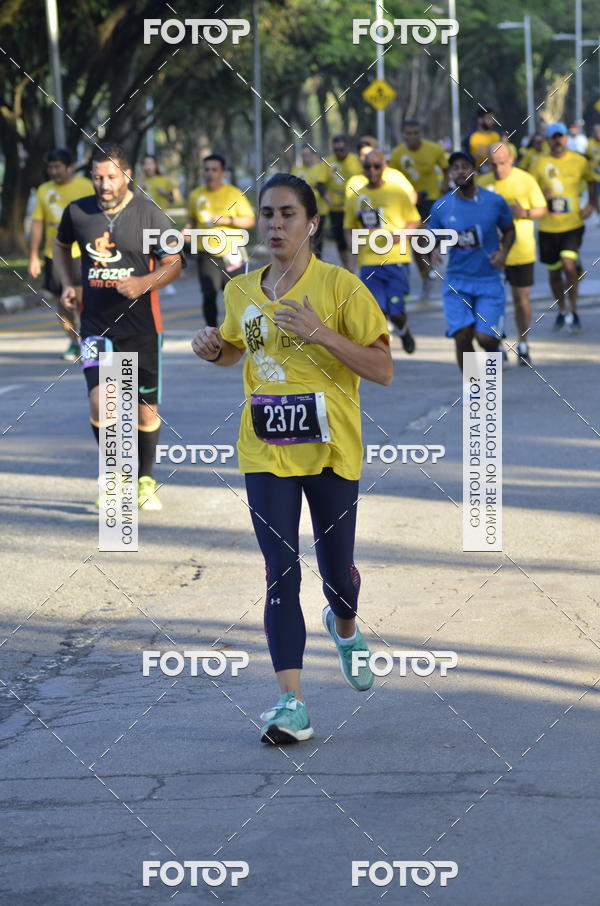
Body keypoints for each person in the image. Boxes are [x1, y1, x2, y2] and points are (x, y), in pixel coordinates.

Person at [191, 173, 393, 744]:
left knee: (336, 576)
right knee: (280, 572)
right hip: (265, 450)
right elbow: (235, 349)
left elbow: (381, 368)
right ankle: (291, 704)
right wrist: (212, 348)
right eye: (267, 214)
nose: (275, 224)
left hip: (332, 449)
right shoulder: (241, 291)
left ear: (310, 223)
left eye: (286, 214)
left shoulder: (342, 288)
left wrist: (322, 333)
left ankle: (345, 624)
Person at [53, 142, 183, 510]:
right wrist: (67, 283)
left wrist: (143, 283)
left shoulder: (149, 214)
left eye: (111, 177)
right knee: (101, 403)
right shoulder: (78, 212)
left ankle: (144, 479)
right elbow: (61, 246)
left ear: (126, 175)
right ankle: (115, 476)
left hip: (143, 327)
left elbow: (175, 262)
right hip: (95, 326)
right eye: (97, 177)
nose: (104, 185)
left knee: (144, 410)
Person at [427, 150, 515, 371]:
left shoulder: (494, 202)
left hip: (488, 279)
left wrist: (503, 254)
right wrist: (434, 250)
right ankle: (475, 390)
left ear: (474, 170)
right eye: (455, 168)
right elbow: (430, 238)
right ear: (449, 173)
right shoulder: (441, 206)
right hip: (457, 281)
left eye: (464, 166)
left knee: (485, 339)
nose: (460, 171)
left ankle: (493, 352)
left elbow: (509, 230)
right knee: (462, 336)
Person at [344, 149, 420, 353]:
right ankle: (382, 353)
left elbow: (414, 220)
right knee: (377, 310)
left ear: (384, 166)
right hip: (369, 262)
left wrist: (400, 237)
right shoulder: (356, 197)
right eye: (368, 167)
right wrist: (353, 249)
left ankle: (403, 331)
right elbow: (349, 227)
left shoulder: (397, 192)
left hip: (397, 259)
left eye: (376, 166)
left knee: (396, 311)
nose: (372, 171)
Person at [479, 143, 548, 365]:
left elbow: (543, 209)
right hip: (492, 253)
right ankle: (496, 345)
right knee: (491, 301)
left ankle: (524, 343)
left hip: (521, 250)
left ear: (511, 160)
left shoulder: (525, 180)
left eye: (502, 163)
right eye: (493, 164)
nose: (498, 169)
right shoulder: (482, 184)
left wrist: (524, 212)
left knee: (521, 299)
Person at [530, 123, 596, 333]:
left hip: (572, 224)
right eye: (553, 137)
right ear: (547, 140)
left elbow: (592, 180)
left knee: (568, 265)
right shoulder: (539, 163)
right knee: (554, 273)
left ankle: (574, 311)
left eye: (561, 137)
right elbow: (530, 189)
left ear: (567, 138)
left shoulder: (579, 161)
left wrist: (591, 204)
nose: (558, 141)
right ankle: (562, 309)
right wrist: (542, 195)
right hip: (548, 227)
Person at [28, 148, 93, 361]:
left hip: (81, 253)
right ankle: (74, 341)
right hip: (54, 254)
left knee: (82, 300)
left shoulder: (85, 186)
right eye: (50, 167)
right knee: (63, 304)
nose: (53, 171)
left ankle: (88, 341)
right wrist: (33, 256)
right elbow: (38, 222)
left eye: (57, 167)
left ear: (70, 167)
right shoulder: (44, 190)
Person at [185, 154, 256, 326]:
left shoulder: (234, 194)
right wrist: (185, 233)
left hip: (232, 254)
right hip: (207, 253)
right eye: (206, 169)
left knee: (235, 296)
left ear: (222, 173)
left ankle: (238, 333)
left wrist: (228, 220)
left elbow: (250, 220)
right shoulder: (196, 195)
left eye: (214, 170)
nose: (210, 173)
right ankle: (212, 333)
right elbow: (192, 220)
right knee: (208, 293)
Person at [389, 120, 449, 299]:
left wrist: (445, 188)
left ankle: (432, 261)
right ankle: (426, 274)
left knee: (426, 235)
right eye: (408, 133)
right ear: (403, 135)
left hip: (430, 198)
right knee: (417, 241)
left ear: (420, 133)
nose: (412, 136)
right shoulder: (397, 154)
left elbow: (446, 169)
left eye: (415, 133)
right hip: (408, 202)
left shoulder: (434, 149)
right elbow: (392, 177)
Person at [322, 135, 362, 269]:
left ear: (348, 148)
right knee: (341, 241)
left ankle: (355, 266)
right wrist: (325, 194)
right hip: (336, 208)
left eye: (341, 149)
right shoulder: (328, 162)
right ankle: (349, 269)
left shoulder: (356, 160)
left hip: (354, 207)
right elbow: (320, 182)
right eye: (336, 150)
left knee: (355, 237)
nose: (339, 152)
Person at [345, 136, 417, 204]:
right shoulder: (354, 181)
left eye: (371, 154)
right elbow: (352, 206)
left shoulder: (394, 175)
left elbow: (412, 195)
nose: (368, 158)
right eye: (364, 155)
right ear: (359, 157)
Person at [291, 144, 329, 258]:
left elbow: (321, 186)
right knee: (303, 236)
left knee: (317, 238)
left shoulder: (320, 168)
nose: (305, 158)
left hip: (319, 209)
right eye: (303, 155)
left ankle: (318, 262)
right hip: (301, 210)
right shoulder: (297, 169)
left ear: (313, 155)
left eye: (307, 155)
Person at [462, 106, 501, 171]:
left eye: (493, 119)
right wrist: (475, 157)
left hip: (493, 176)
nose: (491, 121)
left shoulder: (497, 136)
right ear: (480, 119)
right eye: (489, 118)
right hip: (476, 176)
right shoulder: (470, 137)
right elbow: (463, 160)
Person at [586, 123, 600, 216]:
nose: (598, 133)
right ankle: (599, 214)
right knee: (596, 198)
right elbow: (586, 157)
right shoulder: (590, 143)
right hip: (594, 176)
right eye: (596, 131)